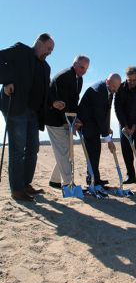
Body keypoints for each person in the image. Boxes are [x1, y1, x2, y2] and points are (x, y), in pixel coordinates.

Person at [0, 33, 54, 201]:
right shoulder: (21, 50)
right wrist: (6, 81)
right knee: (17, 149)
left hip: (34, 113)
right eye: (48, 48)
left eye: (52, 50)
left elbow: (46, 91)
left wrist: (52, 104)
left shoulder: (46, 67)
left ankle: (25, 184)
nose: (50, 52)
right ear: (39, 42)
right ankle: (17, 189)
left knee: (33, 149)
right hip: (16, 107)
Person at [45, 55, 90, 189]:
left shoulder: (79, 79)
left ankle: (55, 180)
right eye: (81, 67)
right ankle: (67, 184)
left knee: (66, 151)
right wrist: (69, 122)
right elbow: (63, 103)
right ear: (74, 64)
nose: (83, 71)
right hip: (54, 119)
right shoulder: (64, 76)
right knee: (64, 151)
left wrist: (76, 119)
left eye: (86, 69)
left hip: (65, 119)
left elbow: (73, 102)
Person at [78, 74, 121, 187]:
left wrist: (107, 128)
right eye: (114, 87)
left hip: (95, 124)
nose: (115, 90)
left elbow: (106, 112)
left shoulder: (110, 91)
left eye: (117, 87)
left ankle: (95, 179)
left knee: (96, 151)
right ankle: (92, 180)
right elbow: (99, 116)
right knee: (92, 152)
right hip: (87, 124)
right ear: (108, 82)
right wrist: (108, 140)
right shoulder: (98, 91)